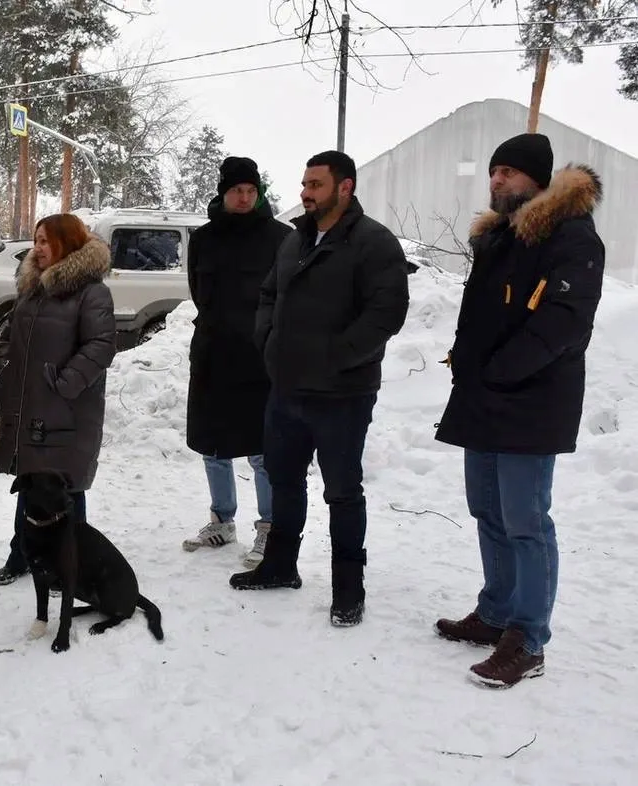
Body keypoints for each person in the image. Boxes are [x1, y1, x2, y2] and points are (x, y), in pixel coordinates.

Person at [434, 134, 605, 688]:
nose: (497, 179)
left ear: (538, 178)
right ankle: (496, 612)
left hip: (532, 399)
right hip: (483, 395)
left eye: (508, 171)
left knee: (526, 521)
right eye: (494, 171)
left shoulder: (572, 235)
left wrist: (504, 370)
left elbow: (565, 320)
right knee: (488, 510)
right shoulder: (500, 237)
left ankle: (528, 638)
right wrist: (468, 365)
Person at [230, 150, 409, 629]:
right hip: (287, 388)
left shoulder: (374, 243)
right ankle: (280, 565)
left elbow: (386, 313)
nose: (305, 193)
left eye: (316, 185)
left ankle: (349, 588)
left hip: (342, 394)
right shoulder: (297, 239)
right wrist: (268, 340)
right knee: (284, 480)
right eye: (305, 184)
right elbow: (269, 293)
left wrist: (335, 357)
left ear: (344, 188)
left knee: (343, 492)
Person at [0, 214, 116, 586]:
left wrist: (64, 384)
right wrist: (3, 369)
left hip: (68, 409)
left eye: (45, 240)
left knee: (67, 489)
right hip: (33, 406)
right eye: (36, 240)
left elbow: (101, 345)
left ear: (66, 243)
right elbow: (13, 337)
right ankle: (22, 554)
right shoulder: (33, 286)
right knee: (30, 483)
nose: (38, 248)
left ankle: (72, 564)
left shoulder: (92, 292)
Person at [181, 157, 292, 569]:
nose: (244, 198)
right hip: (213, 352)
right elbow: (198, 291)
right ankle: (222, 520)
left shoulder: (282, 237)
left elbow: (287, 296)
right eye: (236, 191)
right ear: (223, 193)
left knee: (261, 448)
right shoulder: (204, 238)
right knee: (212, 443)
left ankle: (269, 526)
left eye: (250, 191)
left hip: (260, 357)